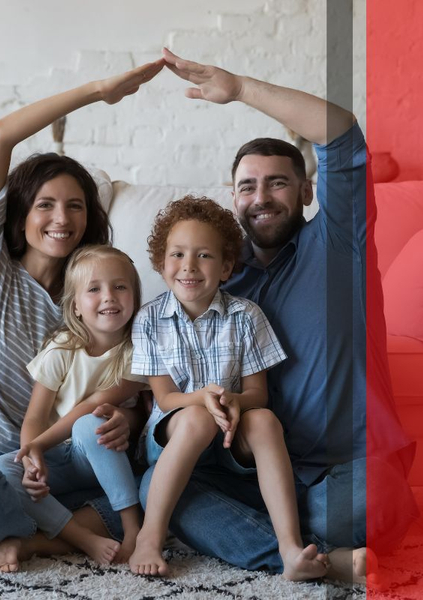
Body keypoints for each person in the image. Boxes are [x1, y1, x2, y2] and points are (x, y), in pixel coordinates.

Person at [136, 48, 418, 585]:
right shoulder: (214, 275)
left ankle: (281, 537)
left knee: (369, 507)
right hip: (244, 465)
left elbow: (342, 135)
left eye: (278, 183)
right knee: (157, 490)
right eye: (247, 186)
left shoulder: (339, 241)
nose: (261, 197)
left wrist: (239, 87)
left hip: (343, 468)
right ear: (233, 198)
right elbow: (159, 362)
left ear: (308, 191)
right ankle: (312, 556)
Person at [0, 59, 164, 572]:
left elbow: (120, 382)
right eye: (45, 204)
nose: (62, 218)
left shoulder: (95, 297)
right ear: (19, 212)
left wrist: (125, 421)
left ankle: (27, 535)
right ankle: (41, 529)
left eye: (76, 206)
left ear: (91, 218)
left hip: (51, 461)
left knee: (161, 493)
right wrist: (96, 90)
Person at [128, 197, 329, 580]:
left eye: (203, 255)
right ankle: (149, 537)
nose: (189, 265)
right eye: (178, 254)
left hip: (229, 435)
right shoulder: (149, 319)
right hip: (173, 434)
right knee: (196, 421)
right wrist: (202, 399)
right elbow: (166, 398)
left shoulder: (246, 315)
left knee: (266, 420)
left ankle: (289, 547)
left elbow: (258, 394)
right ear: (161, 263)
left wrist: (234, 400)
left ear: (226, 268)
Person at [0, 246, 146, 569]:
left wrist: (39, 444)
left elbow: (94, 404)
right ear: (75, 306)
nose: (109, 297)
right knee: (1, 471)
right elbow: (34, 417)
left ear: (134, 296)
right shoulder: (62, 349)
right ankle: (81, 537)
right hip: (61, 458)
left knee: (90, 423)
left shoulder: (138, 351)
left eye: (120, 286)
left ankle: (133, 530)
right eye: (94, 289)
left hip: (103, 454)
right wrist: (32, 458)